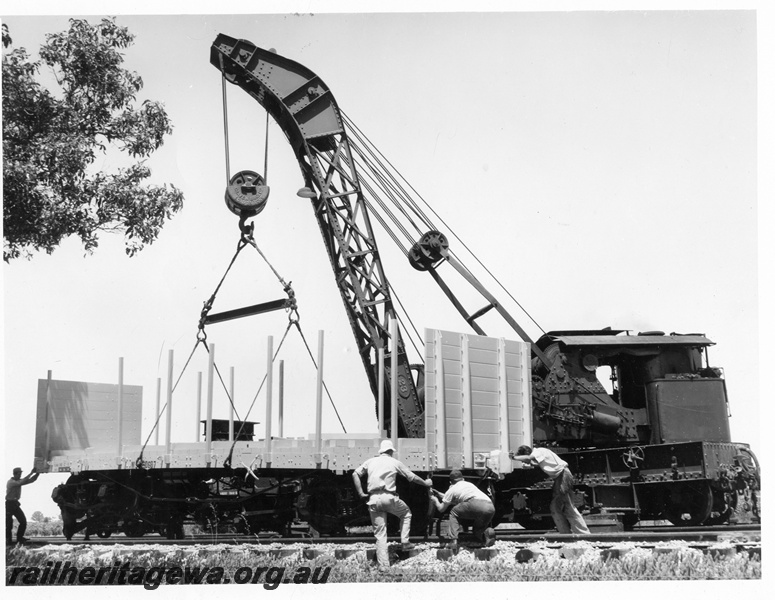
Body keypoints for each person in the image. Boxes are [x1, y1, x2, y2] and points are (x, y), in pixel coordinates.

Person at [352, 440, 433, 568]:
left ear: (381, 451)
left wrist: (361, 493)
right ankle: (405, 542)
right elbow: (412, 477)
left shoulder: (370, 461)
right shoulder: (394, 462)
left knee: (380, 535)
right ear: (390, 451)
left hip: (373, 499)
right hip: (388, 497)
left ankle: (384, 566)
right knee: (406, 514)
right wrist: (425, 483)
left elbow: (355, 474)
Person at [510, 445, 590, 534]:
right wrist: (530, 463)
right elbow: (539, 463)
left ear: (527, 453)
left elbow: (529, 458)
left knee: (567, 506)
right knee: (556, 507)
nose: (524, 461)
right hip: (560, 477)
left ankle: (583, 534)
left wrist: (514, 458)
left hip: (562, 476)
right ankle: (566, 534)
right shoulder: (541, 452)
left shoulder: (538, 452)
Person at [430, 470, 496, 550]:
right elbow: (459, 499)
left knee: (454, 512)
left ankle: (453, 540)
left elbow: (441, 509)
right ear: (463, 479)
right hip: (490, 507)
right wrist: (440, 494)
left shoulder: (452, 489)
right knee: (477, 529)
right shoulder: (469, 484)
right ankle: (486, 535)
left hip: (475, 503)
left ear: (450, 482)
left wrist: (435, 500)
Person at [6, 466, 39, 545]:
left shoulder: (18, 481)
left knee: (23, 521)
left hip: (15, 504)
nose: (20, 475)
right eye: (19, 474)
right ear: (15, 474)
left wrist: (38, 473)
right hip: (9, 505)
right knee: (9, 524)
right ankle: (8, 541)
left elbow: (31, 480)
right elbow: (22, 481)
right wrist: (31, 473)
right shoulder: (11, 482)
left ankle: (19, 538)